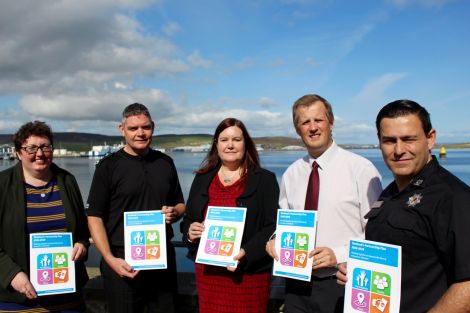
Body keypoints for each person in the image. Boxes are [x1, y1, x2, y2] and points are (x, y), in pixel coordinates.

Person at [337, 99, 470, 313]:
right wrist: (358, 269)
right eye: (389, 140)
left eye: (409, 139)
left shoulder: (453, 198)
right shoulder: (389, 194)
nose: (399, 150)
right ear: (379, 141)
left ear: (430, 138)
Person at [266, 94, 382, 313]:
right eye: (305, 122)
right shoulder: (291, 174)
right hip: (296, 286)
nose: (312, 128)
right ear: (297, 129)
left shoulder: (361, 170)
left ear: (331, 122)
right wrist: (275, 240)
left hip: (342, 282)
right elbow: (285, 222)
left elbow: (378, 232)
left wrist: (338, 255)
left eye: (318, 120)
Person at [86, 103, 185, 313]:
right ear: (122, 129)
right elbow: (94, 216)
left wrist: (175, 213)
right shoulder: (108, 167)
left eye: (146, 127)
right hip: (121, 261)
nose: (140, 133)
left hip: (162, 260)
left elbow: (180, 203)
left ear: (153, 127)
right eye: (133, 128)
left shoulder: (165, 162)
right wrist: (110, 259)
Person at [181, 117, 280, 313]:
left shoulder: (265, 180)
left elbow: (272, 226)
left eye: (237, 139)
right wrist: (190, 233)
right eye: (224, 139)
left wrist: (246, 252)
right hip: (209, 276)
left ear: (246, 144)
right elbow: (188, 221)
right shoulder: (202, 179)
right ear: (216, 145)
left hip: (248, 276)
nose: (230, 145)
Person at [0, 121, 89, 312]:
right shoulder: (2, 185)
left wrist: (81, 244)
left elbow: (82, 228)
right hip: (17, 299)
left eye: (45, 147)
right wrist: (12, 275)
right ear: (18, 153)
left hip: (67, 297)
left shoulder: (67, 180)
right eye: (31, 148)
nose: (39, 153)